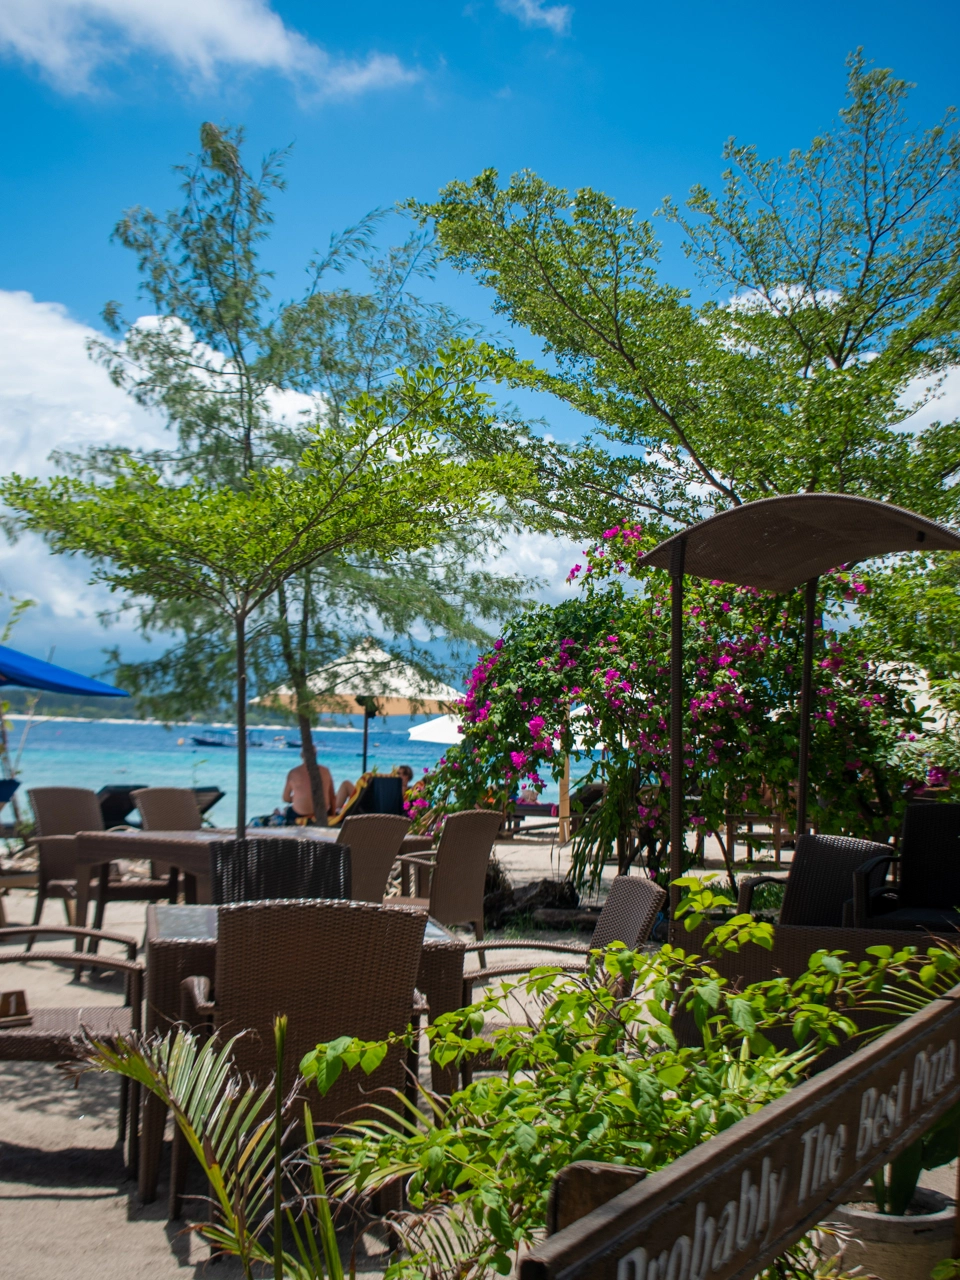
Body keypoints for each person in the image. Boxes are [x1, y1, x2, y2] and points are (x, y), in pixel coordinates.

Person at [282, 753, 352, 823]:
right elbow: (332, 797)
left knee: (288, 811)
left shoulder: (293, 772)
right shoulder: (325, 771)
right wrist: (332, 816)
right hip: (322, 814)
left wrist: (299, 799)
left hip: (300, 815)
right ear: (315, 755)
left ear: (301, 756)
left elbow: (286, 798)